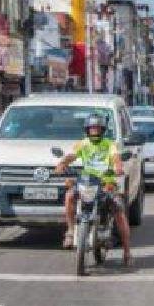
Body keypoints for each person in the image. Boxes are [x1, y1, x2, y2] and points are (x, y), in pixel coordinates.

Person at [53, 114, 132, 266]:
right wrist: (62, 163)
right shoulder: (83, 144)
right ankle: (70, 231)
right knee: (70, 195)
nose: (94, 131)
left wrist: (118, 168)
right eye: (91, 128)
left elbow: (116, 159)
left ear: (102, 130)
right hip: (86, 182)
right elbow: (71, 155)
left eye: (97, 128)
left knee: (119, 210)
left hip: (106, 183)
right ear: (87, 130)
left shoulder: (110, 145)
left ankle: (127, 251)